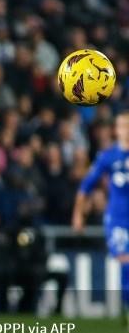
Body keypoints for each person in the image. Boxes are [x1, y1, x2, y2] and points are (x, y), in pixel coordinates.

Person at [72, 111, 129, 321]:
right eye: (123, 126)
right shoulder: (108, 156)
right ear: (117, 130)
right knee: (126, 263)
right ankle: (126, 308)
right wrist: (78, 215)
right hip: (117, 219)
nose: (126, 130)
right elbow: (85, 186)